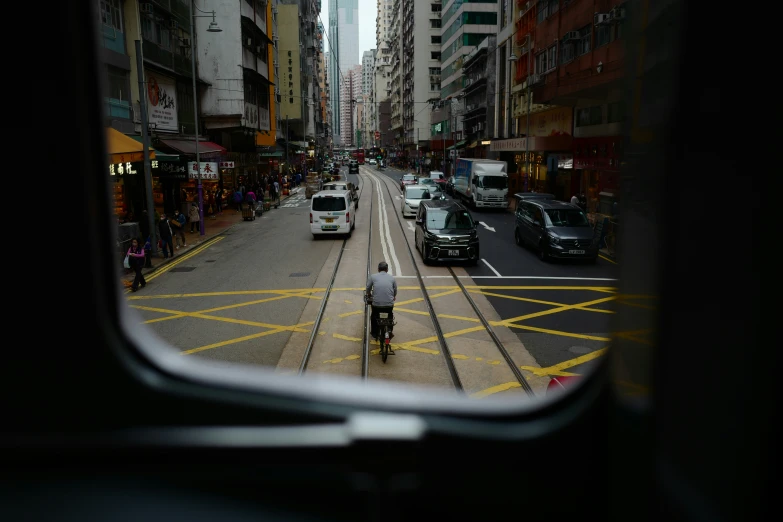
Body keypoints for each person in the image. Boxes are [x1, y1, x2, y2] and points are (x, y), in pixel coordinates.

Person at [366, 261, 397, 341]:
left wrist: (369, 294)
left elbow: (368, 288)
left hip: (377, 304)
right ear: (387, 270)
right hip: (389, 304)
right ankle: (389, 330)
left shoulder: (373, 277)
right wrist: (393, 296)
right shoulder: (392, 278)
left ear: (378, 269)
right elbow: (395, 290)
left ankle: (374, 333)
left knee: (374, 316)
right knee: (390, 316)